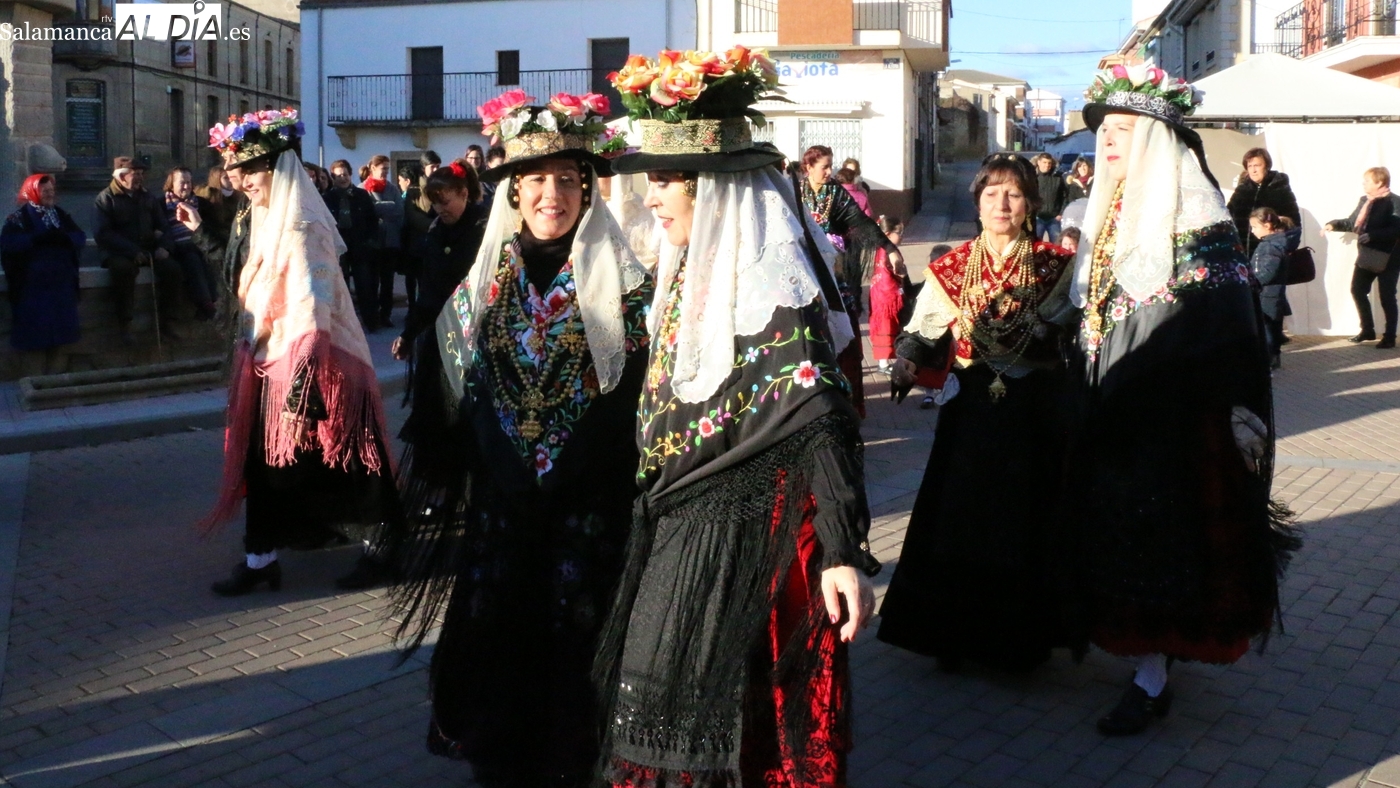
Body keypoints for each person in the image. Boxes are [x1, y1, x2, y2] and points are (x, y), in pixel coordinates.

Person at [597, 46, 878, 786]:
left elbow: (821, 417)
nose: (653, 199)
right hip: (679, 521)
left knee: (727, 719)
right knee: (663, 705)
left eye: (667, 182)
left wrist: (844, 550)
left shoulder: (769, 287)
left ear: (712, 191)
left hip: (747, 529)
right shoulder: (688, 268)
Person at [385, 93, 652, 788]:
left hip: (587, 508)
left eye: (567, 180)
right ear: (513, 192)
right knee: (503, 639)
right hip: (504, 508)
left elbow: (638, 397)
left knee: (576, 642)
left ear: (589, 191)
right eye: (535, 181)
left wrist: (582, 463)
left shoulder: (627, 287)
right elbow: (453, 383)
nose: (550, 194)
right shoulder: (483, 288)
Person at [1065, 66, 1297, 736]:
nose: (1108, 142)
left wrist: (1214, 401)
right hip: (1111, 408)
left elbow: (1227, 320)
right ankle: (1142, 656)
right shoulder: (1107, 218)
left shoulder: (1195, 216)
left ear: (1155, 139)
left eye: (1123, 129)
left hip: (1173, 413)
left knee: (1168, 541)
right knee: (1118, 533)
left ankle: (1152, 675)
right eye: (1104, 131)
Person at [189, 109, 401, 595]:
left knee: (352, 460)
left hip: (322, 365)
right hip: (270, 361)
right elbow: (239, 280)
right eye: (237, 172)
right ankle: (261, 558)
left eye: (251, 171)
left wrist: (304, 383)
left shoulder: (303, 226)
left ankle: (384, 548)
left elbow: (312, 305)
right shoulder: (264, 220)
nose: (242, 182)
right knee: (262, 464)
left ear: (278, 169)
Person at [879, 154, 1074, 673]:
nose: (1002, 204)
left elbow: (1068, 332)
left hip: (1032, 410)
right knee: (960, 515)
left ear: (1031, 202)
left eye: (1013, 194)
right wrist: (906, 358)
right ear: (978, 204)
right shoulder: (953, 264)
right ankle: (951, 633)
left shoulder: (1056, 264)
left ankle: (1016, 644)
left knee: (1022, 517)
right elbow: (925, 328)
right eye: (991, 194)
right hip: (971, 411)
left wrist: (1049, 333)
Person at [796, 144, 904, 417]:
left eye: (831, 165)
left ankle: (845, 400)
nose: (830, 172)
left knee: (843, 329)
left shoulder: (835, 192)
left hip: (834, 272)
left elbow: (861, 223)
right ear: (808, 167)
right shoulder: (795, 192)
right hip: (802, 272)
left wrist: (889, 249)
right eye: (824, 167)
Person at [1, 174, 85, 372]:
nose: (49, 194)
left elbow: (79, 237)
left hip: (61, 287)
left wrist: (64, 238)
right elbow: (7, 244)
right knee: (35, 337)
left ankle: (55, 383)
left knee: (61, 337)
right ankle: (35, 383)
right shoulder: (18, 218)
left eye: (51, 190)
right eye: (44, 190)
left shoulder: (61, 216)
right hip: (33, 289)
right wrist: (35, 239)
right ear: (32, 191)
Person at [95, 156, 181, 344]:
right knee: (123, 271)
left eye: (142, 174)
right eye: (136, 174)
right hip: (119, 252)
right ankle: (124, 325)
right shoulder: (106, 198)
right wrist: (132, 250)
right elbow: (104, 234)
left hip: (147, 248)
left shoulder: (147, 197)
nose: (140, 178)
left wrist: (164, 247)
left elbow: (164, 225)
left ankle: (167, 323)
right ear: (122, 176)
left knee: (172, 270)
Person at [1324, 167, 1400, 348]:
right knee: (1357, 290)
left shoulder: (1395, 202)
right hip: (1367, 256)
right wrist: (1333, 224)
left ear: (1380, 182)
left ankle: (1389, 336)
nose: (1363, 184)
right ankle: (1367, 330)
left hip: (1388, 257)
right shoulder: (1364, 201)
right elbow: (1353, 222)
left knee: (1387, 296)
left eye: (1367, 181)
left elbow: (1396, 229)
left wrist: (1373, 236)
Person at [323, 159, 380, 330]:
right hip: (338, 247)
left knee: (365, 286)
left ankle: (371, 322)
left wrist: (370, 241)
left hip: (359, 246)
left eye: (345, 174)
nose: (343, 178)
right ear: (333, 177)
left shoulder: (362, 195)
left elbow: (372, 221)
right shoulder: (327, 198)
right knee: (341, 287)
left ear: (350, 175)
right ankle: (344, 326)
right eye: (338, 175)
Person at [163, 167, 219, 320]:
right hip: (177, 247)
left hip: (198, 245)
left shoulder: (201, 204)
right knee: (192, 259)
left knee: (207, 260)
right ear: (171, 184)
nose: (186, 187)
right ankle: (207, 303)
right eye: (182, 183)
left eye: (189, 182)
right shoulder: (161, 204)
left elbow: (212, 226)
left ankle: (211, 303)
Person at [1249, 207, 1300, 369]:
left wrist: (1252, 282)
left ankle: (1270, 359)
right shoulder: (1274, 242)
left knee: (1268, 328)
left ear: (1267, 226)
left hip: (1267, 294)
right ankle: (1274, 357)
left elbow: (1268, 272)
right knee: (1273, 327)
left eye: (1255, 227)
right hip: (1274, 293)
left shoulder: (1270, 246)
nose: (1252, 231)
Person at [1227, 147, 1301, 259]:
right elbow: (1227, 217)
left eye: (1257, 165)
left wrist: (1282, 249)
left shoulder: (1279, 190)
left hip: (1269, 257)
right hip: (1241, 256)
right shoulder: (1242, 191)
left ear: (1266, 166)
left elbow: (1293, 225)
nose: (1253, 170)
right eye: (1250, 166)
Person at [363, 154, 403, 329]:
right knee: (372, 282)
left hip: (390, 242)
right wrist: (387, 207)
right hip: (372, 243)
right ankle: (372, 316)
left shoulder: (393, 189)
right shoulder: (363, 189)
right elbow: (366, 213)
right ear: (373, 168)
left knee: (388, 282)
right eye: (383, 168)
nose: (386, 172)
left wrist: (378, 208)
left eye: (388, 168)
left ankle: (386, 315)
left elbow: (399, 210)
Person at [869, 215, 905, 372]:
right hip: (887, 296)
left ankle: (886, 361)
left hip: (879, 294)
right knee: (886, 327)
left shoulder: (879, 249)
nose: (902, 236)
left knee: (885, 327)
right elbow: (895, 273)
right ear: (888, 234)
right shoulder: (888, 252)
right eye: (899, 232)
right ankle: (883, 363)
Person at [1033, 152, 1067, 242]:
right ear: (1039, 162)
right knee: (1035, 245)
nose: (1047, 165)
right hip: (1038, 217)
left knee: (1057, 245)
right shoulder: (1033, 177)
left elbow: (1064, 196)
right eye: (1044, 162)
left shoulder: (1058, 177)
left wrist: (1060, 213)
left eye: (1049, 163)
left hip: (1054, 218)